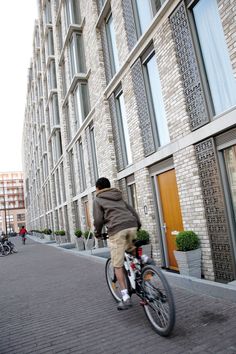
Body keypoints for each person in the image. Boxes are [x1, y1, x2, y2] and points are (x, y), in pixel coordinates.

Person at [93, 177, 141, 310]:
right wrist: (138, 224)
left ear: (98, 188)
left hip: (116, 230)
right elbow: (132, 211)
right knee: (132, 254)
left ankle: (125, 297)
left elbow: (98, 219)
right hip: (131, 225)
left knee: (117, 264)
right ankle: (143, 267)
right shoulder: (118, 195)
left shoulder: (98, 199)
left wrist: (97, 233)